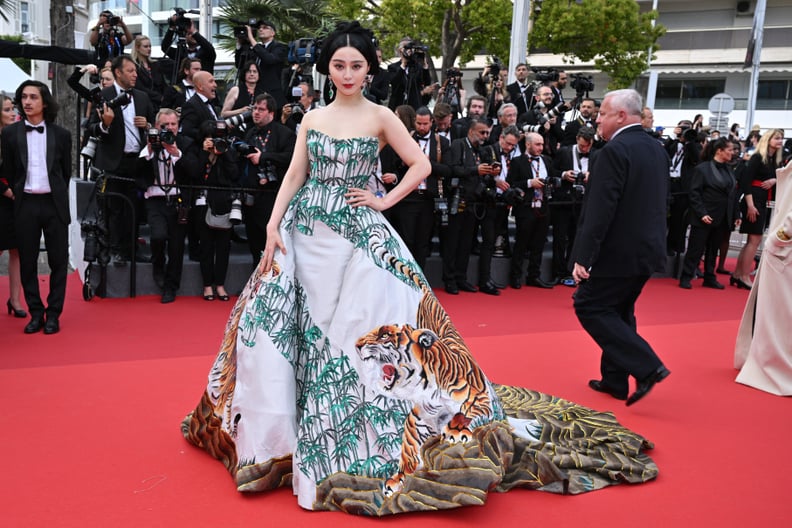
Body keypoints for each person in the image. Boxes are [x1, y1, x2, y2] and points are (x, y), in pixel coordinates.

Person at [181, 22, 659, 515]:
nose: (347, 74)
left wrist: (383, 200)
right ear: (328, 67)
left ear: (369, 69)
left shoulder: (381, 114)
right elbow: (295, 174)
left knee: (354, 328)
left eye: (357, 66)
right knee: (283, 328)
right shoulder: (312, 118)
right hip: (305, 233)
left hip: (357, 236)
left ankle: (352, 434)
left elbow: (421, 165)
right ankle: (281, 437)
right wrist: (272, 227)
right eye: (340, 65)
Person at [571, 88, 671, 406]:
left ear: (621, 116)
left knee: (590, 306)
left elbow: (600, 211)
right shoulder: (656, 148)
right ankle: (615, 380)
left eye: (603, 113)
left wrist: (583, 257)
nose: (597, 119)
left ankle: (647, 366)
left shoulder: (613, 152)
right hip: (647, 248)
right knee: (620, 309)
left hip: (618, 251)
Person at [1, 81, 72, 334]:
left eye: (33, 97)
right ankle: (36, 312)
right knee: (28, 262)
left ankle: (54, 314)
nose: (27, 102)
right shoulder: (9, 135)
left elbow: (65, 174)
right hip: (26, 204)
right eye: (24, 97)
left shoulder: (62, 135)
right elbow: (9, 170)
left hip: (54, 204)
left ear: (44, 102)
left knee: (59, 262)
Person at [85, 54, 156, 265]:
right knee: (114, 208)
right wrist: (105, 124)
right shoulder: (103, 95)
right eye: (130, 71)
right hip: (113, 161)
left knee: (134, 208)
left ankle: (132, 249)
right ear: (118, 73)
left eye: (135, 71)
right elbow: (90, 128)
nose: (135, 74)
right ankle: (115, 250)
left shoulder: (142, 97)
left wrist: (148, 125)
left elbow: (155, 124)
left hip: (137, 161)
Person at [734, 159, 792, 395]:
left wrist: (780, 238)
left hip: (785, 251)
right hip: (783, 249)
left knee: (779, 312)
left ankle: (774, 364)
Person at [138, 108, 198, 303]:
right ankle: (158, 266)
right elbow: (136, 171)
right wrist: (148, 149)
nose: (169, 129)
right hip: (155, 199)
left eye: (173, 125)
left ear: (178, 126)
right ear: (157, 127)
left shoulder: (186, 144)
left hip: (178, 201)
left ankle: (171, 287)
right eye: (165, 126)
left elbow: (193, 170)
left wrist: (176, 154)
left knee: (176, 246)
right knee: (157, 236)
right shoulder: (149, 144)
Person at [238, 93, 296, 264]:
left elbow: (291, 158)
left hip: (274, 196)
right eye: (254, 108)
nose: (256, 112)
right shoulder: (249, 133)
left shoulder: (284, 133)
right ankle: (256, 283)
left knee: (272, 242)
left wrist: (263, 157)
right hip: (251, 196)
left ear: (271, 113)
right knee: (254, 244)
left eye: (261, 109)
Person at [678, 138, 740, 290]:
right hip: (704, 216)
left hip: (723, 216)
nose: (733, 152)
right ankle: (686, 276)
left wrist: (736, 214)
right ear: (719, 151)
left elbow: (733, 193)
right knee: (695, 249)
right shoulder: (702, 169)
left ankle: (709, 277)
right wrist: (701, 213)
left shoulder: (729, 169)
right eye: (730, 150)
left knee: (713, 250)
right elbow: (694, 194)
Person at [731, 129, 784, 289]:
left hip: (761, 201)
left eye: (781, 138)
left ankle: (738, 274)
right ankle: (743, 276)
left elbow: (779, 177)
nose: (780, 141)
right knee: (754, 240)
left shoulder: (774, 160)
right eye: (776, 138)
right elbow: (746, 181)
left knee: (752, 240)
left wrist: (774, 180)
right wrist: (750, 205)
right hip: (753, 201)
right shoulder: (757, 158)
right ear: (768, 139)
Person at [193, 121, 239, 302]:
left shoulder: (228, 151)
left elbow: (234, 174)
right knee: (205, 247)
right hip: (203, 202)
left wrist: (225, 152)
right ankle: (207, 285)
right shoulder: (199, 151)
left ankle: (220, 284)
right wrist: (205, 153)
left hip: (224, 203)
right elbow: (195, 173)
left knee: (223, 247)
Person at [0, 94, 26, 318]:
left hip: (17, 201)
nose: (13, 113)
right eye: (7, 110)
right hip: (3, 198)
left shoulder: (16, 136)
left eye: (12, 109)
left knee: (17, 251)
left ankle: (16, 300)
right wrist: (7, 192)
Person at [130, 35, 165, 111]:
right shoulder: (133, 66)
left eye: (150, 46)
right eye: (145, 47)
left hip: (159, 104)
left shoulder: (156, 64)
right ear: (137, 48)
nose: (149, 49)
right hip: (144, 102)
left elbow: (162, 84)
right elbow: (139, 87)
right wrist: (159, 97)